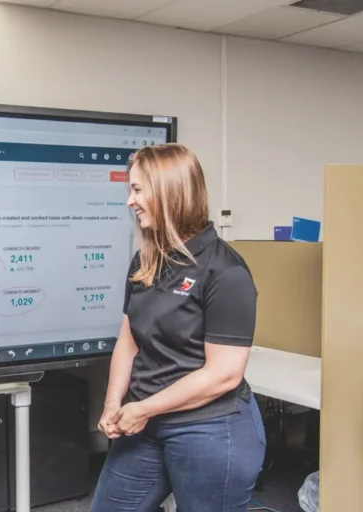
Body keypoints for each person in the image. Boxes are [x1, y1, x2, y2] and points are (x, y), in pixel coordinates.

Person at [91, 144, 265, 512]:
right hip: (145, 422)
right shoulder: (146, 260)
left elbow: (224, 375)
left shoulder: (225, 271)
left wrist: (142, 409)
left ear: (170, 192)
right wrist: (113, 403)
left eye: (138, 190)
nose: (129, 201)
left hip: (210, 428)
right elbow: (128, 341)